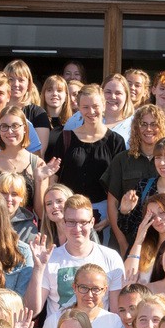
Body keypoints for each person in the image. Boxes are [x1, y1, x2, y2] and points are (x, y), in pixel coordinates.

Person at [27, 195, 126, 328]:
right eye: (71, 222)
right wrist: (38, 268)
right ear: (64, 222)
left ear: (92, 222)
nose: (77, 228)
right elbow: (32, 311)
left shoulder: (111, 258)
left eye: (83, 222)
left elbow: (116, 314)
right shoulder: (50, 258)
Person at [48, 84, 126, 225]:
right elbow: (54, 177)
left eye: (95, 106)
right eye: (85, 107)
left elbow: (120, 183)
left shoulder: (115, 141)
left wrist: (110, 218)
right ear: (78, 108)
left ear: (103, 105)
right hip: (69, 213)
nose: (91, 111)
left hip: (103, 214)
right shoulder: (66, 138)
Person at [105, 106, 165, 251]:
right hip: (125, 236)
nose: (149, 129)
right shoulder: (122, 159)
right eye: (143, 124)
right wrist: (122, 241)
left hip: (160, 238)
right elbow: (112, 204)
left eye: (154, 124)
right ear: (136, 127)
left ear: (162, 126)